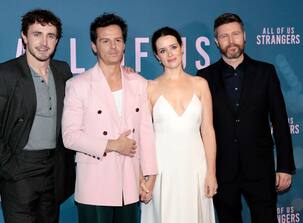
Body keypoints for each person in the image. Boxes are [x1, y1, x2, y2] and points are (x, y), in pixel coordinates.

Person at [0, 9, 75, 223]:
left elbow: (87, 99)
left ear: (57, 40)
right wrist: (13, 168)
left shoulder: (63, 71)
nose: (44, 42)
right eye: (37, 34)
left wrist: (122, 73)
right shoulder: (3, 74)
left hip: (53, 171)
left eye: (50, 36)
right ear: (24, 37)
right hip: (19, 171)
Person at [197, 13, 296, 223]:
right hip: (222, 171)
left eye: (235, 34)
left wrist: (285, 166)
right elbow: (200, 127)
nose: (231, 41)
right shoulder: (204, 76)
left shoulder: (266, 72)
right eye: (224, 36)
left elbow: (280, 121)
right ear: (216, 41)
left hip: (260, 169)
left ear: (245, 36)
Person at [61, 13, 157, 223]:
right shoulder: (78, 85)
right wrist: (113, 144)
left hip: (130, 182)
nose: (113, 46)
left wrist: (150, 175)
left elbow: (146, 132)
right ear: (94, 46)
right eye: (105, 41)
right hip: (95, 183)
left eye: (118, 40)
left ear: (124, 45)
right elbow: (69, 136)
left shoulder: (138, 82)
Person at [141, 26, 217, 223]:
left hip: (196, 169)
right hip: (163, 170)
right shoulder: (150, 87)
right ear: (157, 57)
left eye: (173, 47)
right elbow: (144, 136)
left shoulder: (200, 84)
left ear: (182, 48)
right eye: (163, 51)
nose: (170, 54)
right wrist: (145, 176)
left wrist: (211, 173)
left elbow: (208, 131)